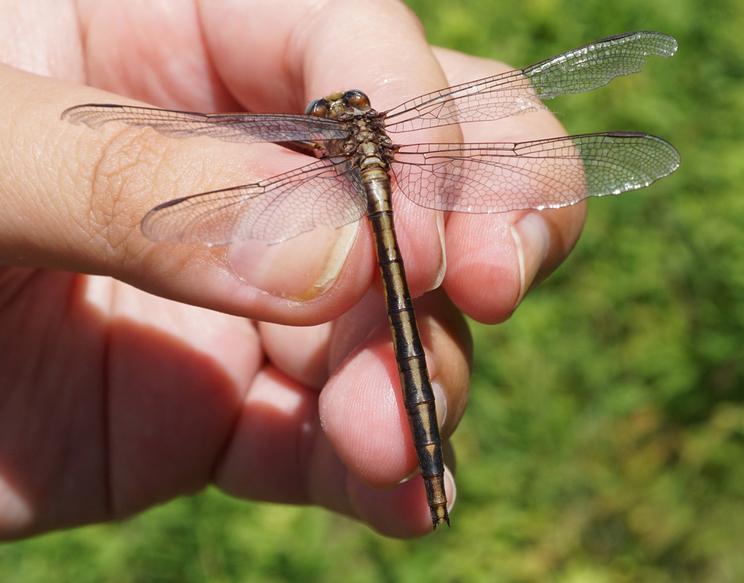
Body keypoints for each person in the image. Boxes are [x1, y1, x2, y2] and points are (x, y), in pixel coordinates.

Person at [0, 0, 585, 539]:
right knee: (407, 309)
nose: (335, 110)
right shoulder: (386, 138)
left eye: (337, 110)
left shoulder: (327, 144)